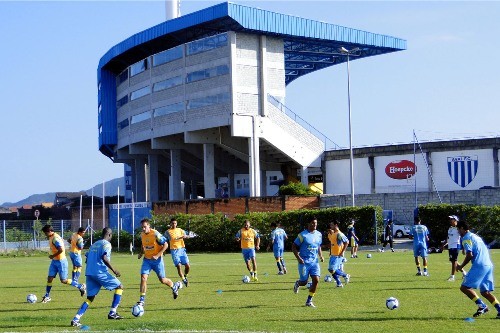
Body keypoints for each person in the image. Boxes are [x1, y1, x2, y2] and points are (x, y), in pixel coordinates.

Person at [70, 227, 124, 327]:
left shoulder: (94, 244)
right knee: (119, 286)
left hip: (90, 273)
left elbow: (86, 257)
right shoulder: (107, 244)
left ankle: (76, 319)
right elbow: (104, 257)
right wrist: (114, 270)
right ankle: (112, 313)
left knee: (90, 298)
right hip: (100, 272)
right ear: (109, 235)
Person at [456, 220, 500, 319]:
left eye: (458, 229)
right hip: (488, 264)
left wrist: (461, 266)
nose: (458, 232)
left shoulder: (466, 238)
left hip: (480, 265)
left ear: (462, 228)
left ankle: (482, 306)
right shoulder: (476, 236)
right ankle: (499, 309)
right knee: (485, 292)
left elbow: (469, 255)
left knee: (464, 287)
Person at [137, 218, 181, 306]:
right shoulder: (142, 235)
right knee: (143, 278)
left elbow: (166, 244)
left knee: (163, 280)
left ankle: (174, 286)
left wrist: (157, 255)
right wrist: (141, 253)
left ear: (149, 226)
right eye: (142, 227)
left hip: (157, 261)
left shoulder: (155, 234)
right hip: (147, 260)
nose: (143, 229)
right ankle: (142, 300)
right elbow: (143, 245)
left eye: (145, 227)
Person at [40, 224, 86, 303]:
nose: (45, 235)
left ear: (50, 231)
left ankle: (80, 286)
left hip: (61, 261)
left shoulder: (55, 238)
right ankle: (47, 296)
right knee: (49, 278)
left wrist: (52, 256)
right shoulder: (52, 237)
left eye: (45, 233)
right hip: (55, 261)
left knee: (64, 280)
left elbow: (61, 249)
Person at [292, 217, 324, 308]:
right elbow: (294, 246)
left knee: (316, 280)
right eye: (313, 223)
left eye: (316, 223)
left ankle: (309, 301)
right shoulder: (302, 235)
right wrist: (298, 258)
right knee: (304, 282)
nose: (315, 225)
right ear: (308, 224)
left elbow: (318, 246)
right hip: (304, 262)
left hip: (315, 262)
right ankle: (298, 283)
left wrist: (320, 255)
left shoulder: (319, 234)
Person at [164, 217, 191, 287]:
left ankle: (185, 276)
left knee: (188, 266)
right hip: (174, 251)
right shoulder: (167, 232)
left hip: (182, 249)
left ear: (177, 224)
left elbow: (186, 235)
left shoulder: (180, 230)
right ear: (170, 224)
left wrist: (187, 236)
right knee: (179, 266)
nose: (174, 224)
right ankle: (183, 279)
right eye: (172, 223)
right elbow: (164, 240)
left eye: (175, 223)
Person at [441, 215, 467, 281]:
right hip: (450, 246)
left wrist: (464, 248)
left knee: (454, 261)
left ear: (455, 220)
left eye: (451, 219)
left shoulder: (458, 229)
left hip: (456, 246)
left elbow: (462, 238)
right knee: (453, 261)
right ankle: (464, 273)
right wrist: (444, 244)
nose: (450, 220)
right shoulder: (450, 228)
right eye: (450, 219)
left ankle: (452, 276)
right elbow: (448, 238)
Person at [327, 221, 350, 288]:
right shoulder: (334, 234)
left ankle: (345, 275)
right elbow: (333, 244)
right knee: (331, 270)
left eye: (332, 225)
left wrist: (342, 252)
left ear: (336, 225)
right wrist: (330, 252)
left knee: (332, 269)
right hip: (333, 254)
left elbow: (346, 242)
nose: (331, 226)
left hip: (338, 255)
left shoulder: (339, 234)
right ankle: (339, 283)